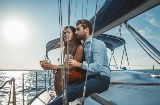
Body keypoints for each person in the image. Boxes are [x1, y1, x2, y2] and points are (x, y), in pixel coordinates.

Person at [47, 19, 111, 105]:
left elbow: (97, 67)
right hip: (91, 77)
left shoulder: (97, 44)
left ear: (86, 30)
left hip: (101, 79)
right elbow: (75, 43)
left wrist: (78, 64)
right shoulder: (85, 45)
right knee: (65, 90)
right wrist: (65, 43)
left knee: (68, 93)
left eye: (78, 29)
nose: (76, 32)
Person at [40, 26, 86, 95]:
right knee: (58, 72)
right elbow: (65, 65)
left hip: (79, 73)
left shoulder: (79, 47)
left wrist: (54, 67)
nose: (66, 34)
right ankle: (59, 97)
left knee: (60, 72)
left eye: (68, 32)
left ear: (74, 34)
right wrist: (51, 67)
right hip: (69, 72)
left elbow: (74, 67)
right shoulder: (66, 48)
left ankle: (62, 98)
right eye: (64, 33)